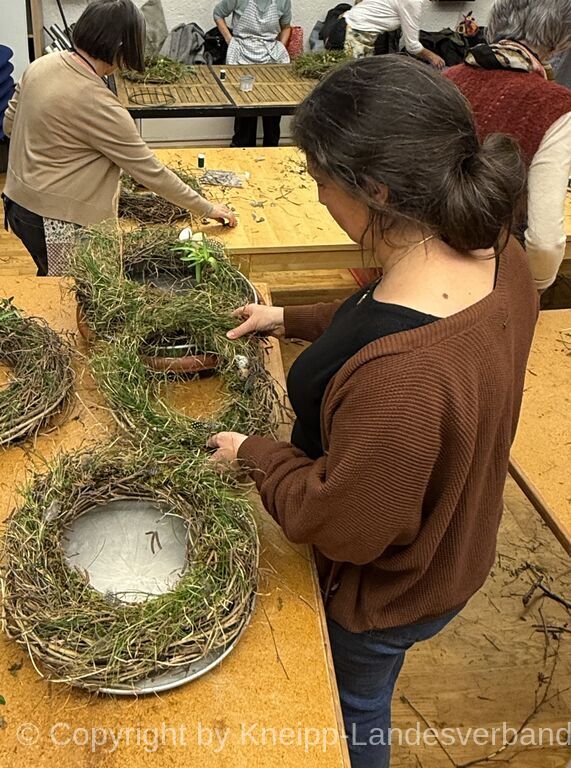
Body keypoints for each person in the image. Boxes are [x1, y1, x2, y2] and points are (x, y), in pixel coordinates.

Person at [208, 56, 538, 767]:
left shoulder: (402, 379)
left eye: (321, 181)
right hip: (457, 538)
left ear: (376, 190)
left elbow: (344, 526)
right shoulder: (496, 255)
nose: (319, 195)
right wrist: (288, 319)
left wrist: (253, 454)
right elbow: (375, 312)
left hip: (388, 591)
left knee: (353, 710)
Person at [2, 0, 236, 277]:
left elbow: (9, 125)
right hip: (54, 219)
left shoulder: (41, 65)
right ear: (121, 47)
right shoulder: (98, 103)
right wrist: (207, 208)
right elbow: (151, 173)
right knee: (74, 288)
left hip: (17, 204)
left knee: (51, 276)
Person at [446, 0, 571, 297]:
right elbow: (544, 241)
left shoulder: (444, 80)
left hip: (423, 268)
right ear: (559, 40)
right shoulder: (556, 106)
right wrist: (535, 287)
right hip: (495, 278)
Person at [213, 0, 292, 147]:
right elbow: (218, 14)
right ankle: (243, 149)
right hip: (242, 54)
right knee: (245, 108)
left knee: (273, 109)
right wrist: (230, 40)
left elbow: (286, 27)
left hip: (271, 57)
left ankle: (271, 151)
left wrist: (281, 45)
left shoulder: (283, 2)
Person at [343, 0, 444, 68]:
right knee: (352, 80)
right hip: (352, 32)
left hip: (354, 29)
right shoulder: (412, 2)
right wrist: (433, 57)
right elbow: (412, 46)